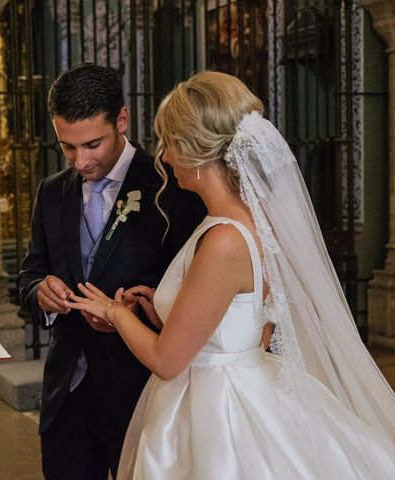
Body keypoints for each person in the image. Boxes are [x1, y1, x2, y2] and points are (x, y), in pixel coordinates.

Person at [66, 71, 395, 479]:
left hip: (217, 412)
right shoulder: (243, 221)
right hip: (245, 385)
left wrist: (114, 312)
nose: (164, 157)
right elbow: (256, 332)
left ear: (193, 149)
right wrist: (162, 312)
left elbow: (166, 361)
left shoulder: (224, 239)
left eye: (168, 143)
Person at [18, 63, 206, 480]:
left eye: (92, 144)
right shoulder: (52, 191)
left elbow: (192, 285)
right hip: (66, 394)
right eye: (67, 147)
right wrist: (40, 293)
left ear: (122, 119)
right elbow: (31, 273)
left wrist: (129, 314)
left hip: (139, 389)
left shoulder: (170, 185)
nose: (80, 160)